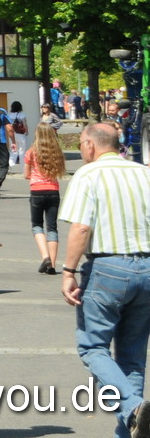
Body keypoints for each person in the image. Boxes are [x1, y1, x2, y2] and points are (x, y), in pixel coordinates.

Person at [60, 122, 150, 438]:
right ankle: (133, 424)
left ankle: (133, 408)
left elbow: (81, 228)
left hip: (108, 267)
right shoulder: (144, 173)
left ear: (89, 145)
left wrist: (68, 271)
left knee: (93, 347)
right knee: (132, 359)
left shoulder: (89, 174)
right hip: (147, 268)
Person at [24, 123, 67, 275]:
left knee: (37, 225)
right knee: (52, 227)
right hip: (53, 191)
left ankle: (45, 256)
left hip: (36, 191)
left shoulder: (31, 152)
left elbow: (26, 174)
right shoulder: (57, 152)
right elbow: (60, 171)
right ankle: (52, 265)